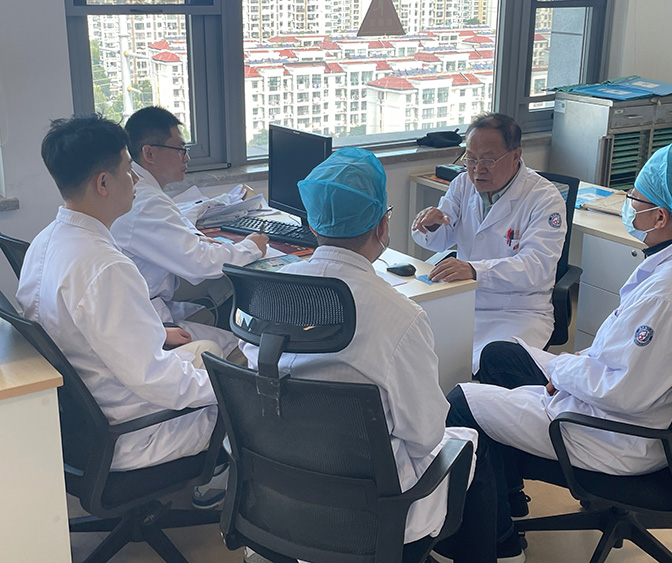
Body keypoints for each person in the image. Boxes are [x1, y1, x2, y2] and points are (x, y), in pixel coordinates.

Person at [444, 143, 672, 557]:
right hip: (654, 409)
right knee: (499, 355)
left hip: (619, 433)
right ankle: (507, 500)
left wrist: (562, 374)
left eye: (635, 198)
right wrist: (570, 370)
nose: (629, 204)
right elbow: (627, 362)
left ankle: (498, 546)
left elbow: (622, 393)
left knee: (461, 404)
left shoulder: (667, 296)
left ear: (660, 217)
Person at [238, 147, 479, 556]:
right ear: (382, 225)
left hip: (279, 493)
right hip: (370, 515)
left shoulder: (264, 296)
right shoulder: (400, 317)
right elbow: (426, 437)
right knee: (470, 445)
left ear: (312, 223)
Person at [16, 114, 222, 472]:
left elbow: (85, 330)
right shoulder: (106, 267)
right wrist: (233, 389)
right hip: (132, 432)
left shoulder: (45, 241)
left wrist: (155, 332)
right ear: (103, 183)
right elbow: (154, 379)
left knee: (207, 351)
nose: (135, 180)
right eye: (128, 170)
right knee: (244, 401)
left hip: (81, 419)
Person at [411, 112, 566, 372]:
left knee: (487, 364)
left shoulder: (544, 198)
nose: (477, 169)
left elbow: (537, 267)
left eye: (488, 160)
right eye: (471, 159)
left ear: (515, 156)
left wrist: (475, 270)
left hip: (517, 311)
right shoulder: (462, 184)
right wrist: (432, 224)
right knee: (420, 353)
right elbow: (440, 241)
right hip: (464, 300)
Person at [110, 106, 268, 355]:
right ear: (149, 153)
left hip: (148, 306)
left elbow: (170, 229)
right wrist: (251, 247)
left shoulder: (146, 195)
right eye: (180, 150)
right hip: (148, 322)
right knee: (242, 347)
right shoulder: (146, 201)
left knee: (214, 305)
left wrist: (198, 236)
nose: (187, 159)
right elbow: (200, 264)